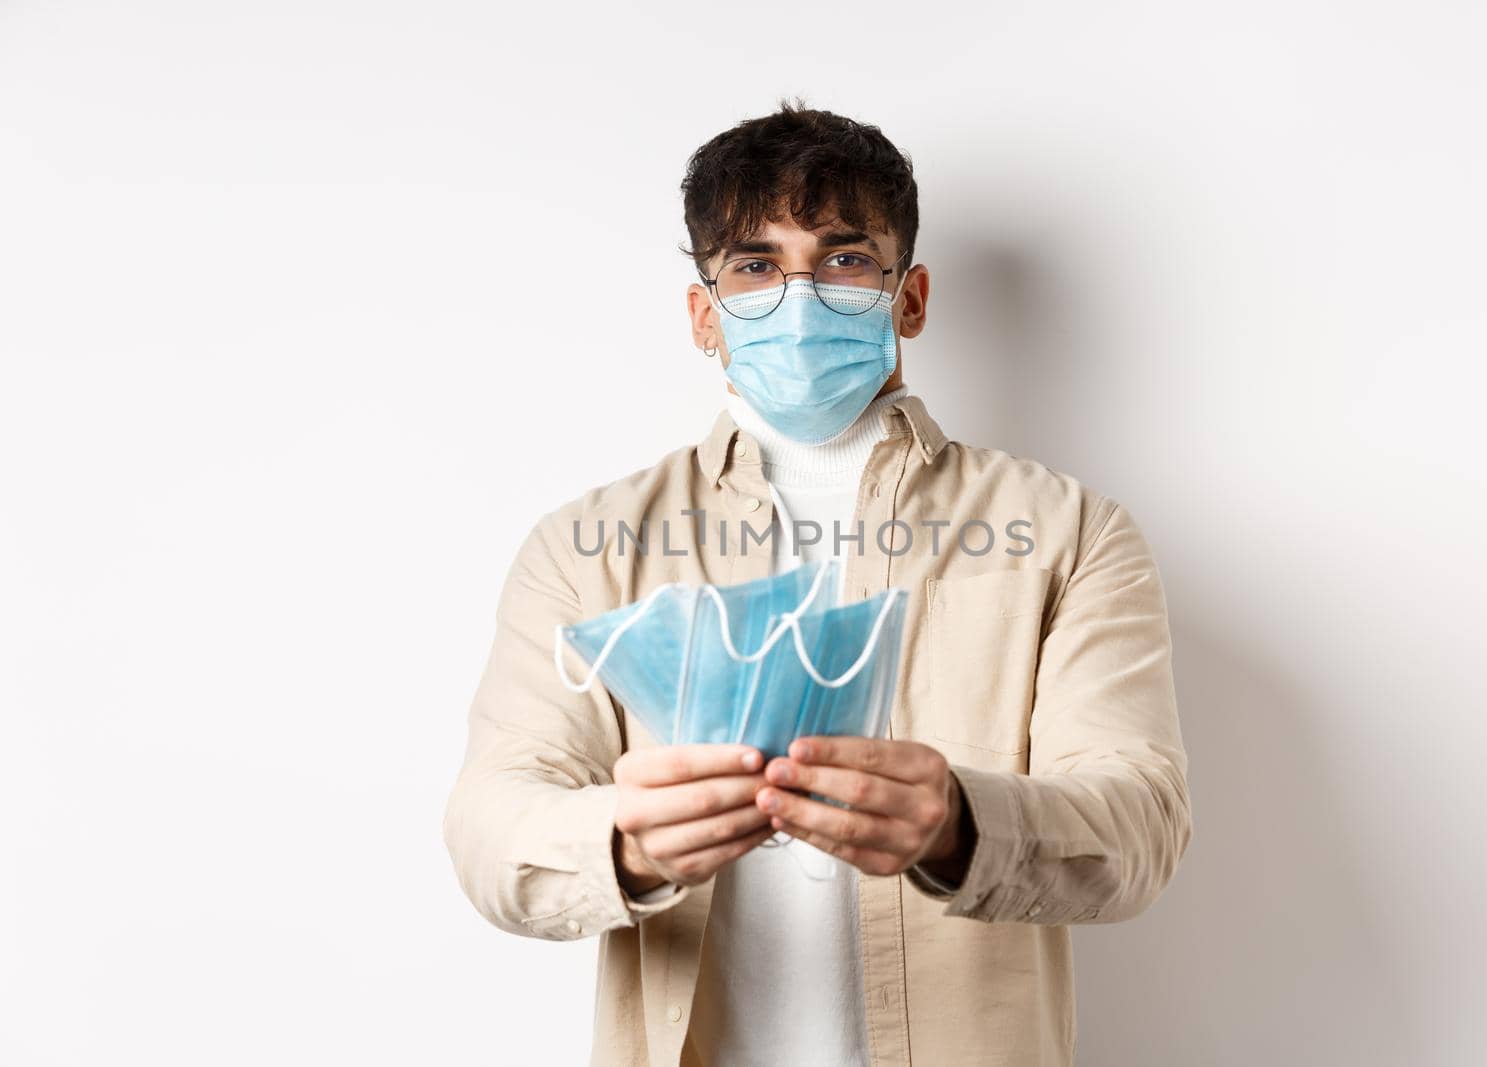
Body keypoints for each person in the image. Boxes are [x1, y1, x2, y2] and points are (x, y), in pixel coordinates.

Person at [443, 101, 1193, 1067]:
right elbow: (490, 823)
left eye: (843, 260)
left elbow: (1140, 822)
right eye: (756, 265)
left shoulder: (1070, 533)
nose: (798, 297)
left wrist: (962, 824)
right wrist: (624, 841)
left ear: (909, 298)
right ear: (705, 314)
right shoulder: (586, 546)